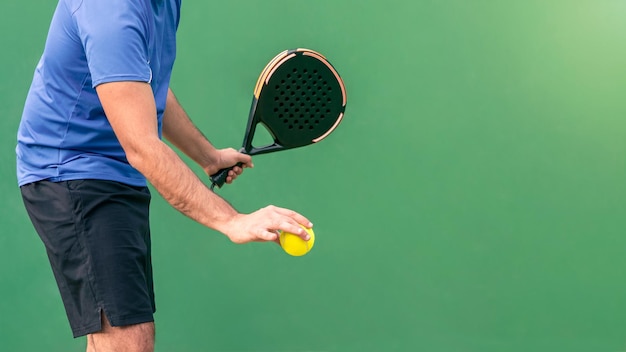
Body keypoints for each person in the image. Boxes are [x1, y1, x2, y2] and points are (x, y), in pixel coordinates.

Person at [16, 0, 312, 351]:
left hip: (116, 174)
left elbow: (139, 81)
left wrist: (208, 156)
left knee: (117, 340)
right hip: (72, 172)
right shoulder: (110, 10)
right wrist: (232, 221)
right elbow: (142, 147)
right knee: (129, 341)